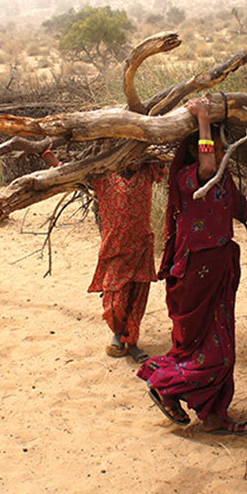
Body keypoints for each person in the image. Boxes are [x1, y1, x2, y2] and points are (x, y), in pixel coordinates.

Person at [136, 96, 247, 435]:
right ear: (196, 149)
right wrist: (202, 119)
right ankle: (165, 383)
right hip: (195, 274)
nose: (215, 154)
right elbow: (205, 169)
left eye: (218, 148)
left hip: (219, 270)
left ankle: (214, 415)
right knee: (203, 351)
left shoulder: (222, 181)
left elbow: (242, 212)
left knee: (222, 349)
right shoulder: (190, 178)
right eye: (211, 147)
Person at [43, 148, 163, 363]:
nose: (135, 160)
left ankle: (132, 342)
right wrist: (49, 157)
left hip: (142, 248)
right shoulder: (104, 178)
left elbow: (167, 155)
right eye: (130, 154)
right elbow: (72, 172)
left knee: (137, 300)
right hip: (114, 251)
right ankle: (118, 333)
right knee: (114, 302)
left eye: (138, 154)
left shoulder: (148, 171)